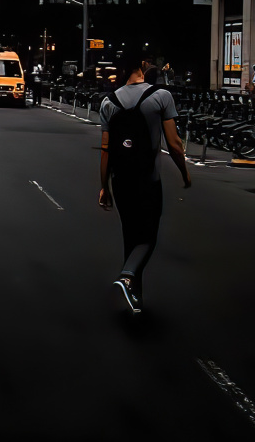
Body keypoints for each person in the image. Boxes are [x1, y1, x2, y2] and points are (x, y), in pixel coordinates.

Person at [99, 43, 191, 315]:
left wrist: (104, 187)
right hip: (148, 180)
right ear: (141, 65)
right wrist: (185, 173)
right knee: (148, 237)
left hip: (120, 180)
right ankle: (128, 278)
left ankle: (134, 298)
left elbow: (105, 151)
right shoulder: (161, 97)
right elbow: (174, 144)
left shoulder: (108, 102)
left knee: (131, 235)